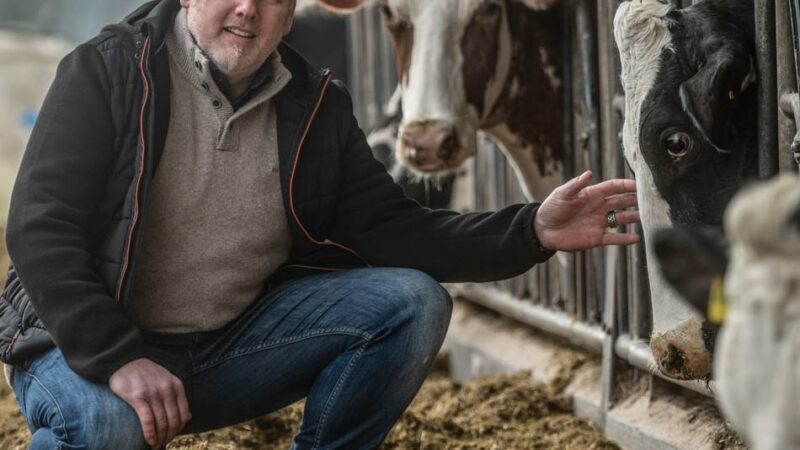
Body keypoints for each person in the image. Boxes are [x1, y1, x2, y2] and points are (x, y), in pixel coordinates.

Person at [0, 0, 640, 449]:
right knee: (110, 428)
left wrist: (532, 229)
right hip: (77, 346)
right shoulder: (109, 69)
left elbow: (399, 231)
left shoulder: (313, 107)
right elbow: (39, 227)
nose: (249, 9)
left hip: (220, 352)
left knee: (409, 302)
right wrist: (118, 357)